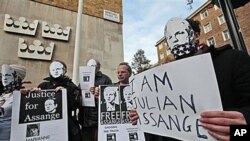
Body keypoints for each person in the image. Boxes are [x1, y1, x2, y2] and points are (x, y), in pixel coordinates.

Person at [129, 17, 250, 141]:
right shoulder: (161, 81)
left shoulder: (234, 60)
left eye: (179, 33)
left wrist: (240, 131)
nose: (174, 40)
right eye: (169, 37)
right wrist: (144, 117)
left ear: (196, 36)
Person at [36, 60, 82, 141]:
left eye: (58, 69)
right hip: (47, 125)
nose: (55, 71)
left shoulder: (71, 86)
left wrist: (65, 93)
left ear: (64, 70)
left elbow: (76, 104)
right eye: (53, 69)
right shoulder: (43, 86)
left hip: (67, 125)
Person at [78, 59, 112, 141]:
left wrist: (100, 93)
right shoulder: (83, 79)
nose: (90, 68)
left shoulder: (105, 79)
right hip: (85, 119)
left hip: (98, 120)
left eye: (93, 66)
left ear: (98, 67)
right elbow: (78, 97)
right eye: (88, 66)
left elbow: (111, 96)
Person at [0, 64, 26, 141]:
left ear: (17, 78)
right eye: (3, 76)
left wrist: (36, 93)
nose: (4, 79)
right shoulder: (3, 94)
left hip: (8, 137)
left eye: (8, 75)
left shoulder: (22, 94)